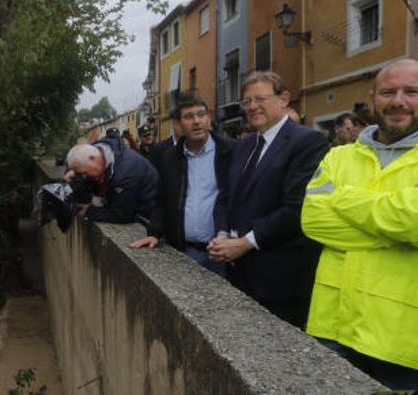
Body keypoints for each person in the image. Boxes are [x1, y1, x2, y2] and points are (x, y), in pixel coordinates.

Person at [301, 59, 418, 394]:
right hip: (335, 326)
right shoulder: (339, 156)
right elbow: (313, 221)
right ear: (374, 97)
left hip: (407, 338)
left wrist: (345, 199)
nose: (398, 100)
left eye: (412, 91)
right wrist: (401, 225)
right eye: (388, 91)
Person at [208, 71, 329, 327]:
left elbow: (296, 209)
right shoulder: (244, 145)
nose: (252, 106)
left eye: (260, 98)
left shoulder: (308, 141)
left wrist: (246, 242)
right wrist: (222, 233)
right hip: (238, 272)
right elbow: (227, 195)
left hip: (280, 280)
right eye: (247, 101)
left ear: (283, 99)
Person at [128, 97, 234, 275]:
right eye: (189, 117)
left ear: (209, 119)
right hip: (185, 251)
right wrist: (154, 232)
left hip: (223, 253)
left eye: (201, 115)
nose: (197, 121)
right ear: (178, 124)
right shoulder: (169, 158)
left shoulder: (231, 152)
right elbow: (162, 199)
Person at [64, 134, 157, 224]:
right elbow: (86, 183)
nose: (84, 176)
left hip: (148, 220)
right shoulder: (99, 154)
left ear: (92, 158)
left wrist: (88, 212)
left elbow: (122, 214)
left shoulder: (126, 171)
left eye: (84, 173)